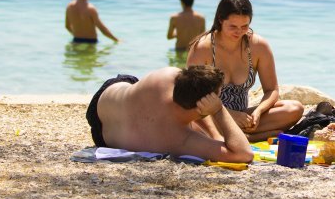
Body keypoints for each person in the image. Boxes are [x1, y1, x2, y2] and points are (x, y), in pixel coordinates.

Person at [187, 0, 303, 141]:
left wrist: (258, 112)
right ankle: (249, 137)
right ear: (221, 20)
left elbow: (271, 90)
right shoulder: (203, 48)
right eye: (233, 26)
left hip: (243, 116)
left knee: (294, 109)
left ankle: (239, 135)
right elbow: (192, 97)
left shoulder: (258, 46)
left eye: (245, 26)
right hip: (211, 116)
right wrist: (229, 115)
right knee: (196, 121)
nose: (239, 31)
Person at [86, 65, 253, 162]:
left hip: (106, 97)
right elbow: (244, 154)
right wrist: (218, 110)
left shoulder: (166, 76)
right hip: (103, 137)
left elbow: (194, 96)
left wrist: (216, 136)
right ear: (202, 107)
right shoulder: (179, 140)